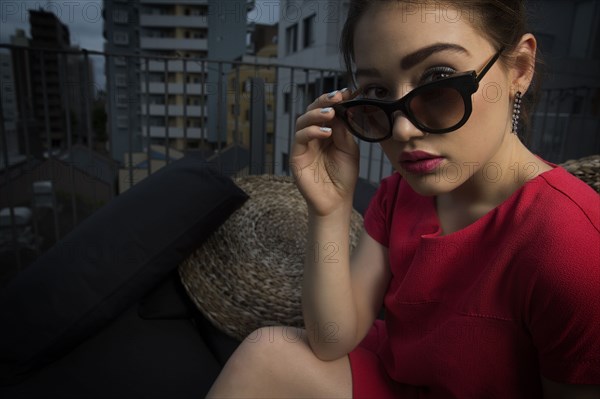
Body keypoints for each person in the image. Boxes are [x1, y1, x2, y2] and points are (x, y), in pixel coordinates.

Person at [207, 0, 600, 397]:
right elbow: (331, 339)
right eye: (377, 91)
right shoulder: (401, 194)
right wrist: (329, 208)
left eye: (439, 80)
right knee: (266, 352)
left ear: (518, 68)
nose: (402, 128)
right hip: (399, 379)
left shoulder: (573, 245)